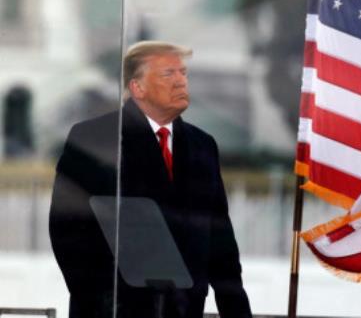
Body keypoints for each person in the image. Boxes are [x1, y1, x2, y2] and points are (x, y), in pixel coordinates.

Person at [49, 41, 252, 318]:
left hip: (183, 310)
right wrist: (99, 300)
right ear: (137, 88)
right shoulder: (94, 138)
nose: (181, 81)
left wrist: (236, 311)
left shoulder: (203, 145)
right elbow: (66, 228)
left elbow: (221, 241)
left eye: (183, 73)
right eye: (168, 74)